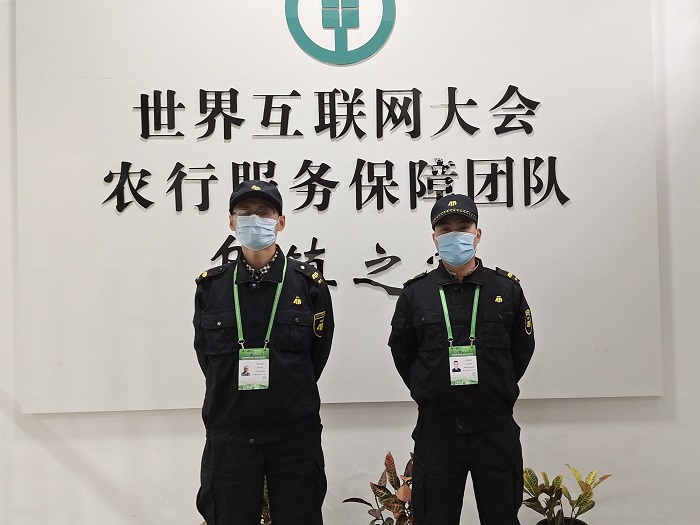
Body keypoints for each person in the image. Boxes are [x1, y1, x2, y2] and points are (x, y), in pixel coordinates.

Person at [193, 180, 334, 525]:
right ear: (232, 222)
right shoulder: (212, 286)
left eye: (264, 212)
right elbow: (206, 357)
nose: (254, 219)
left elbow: (317, 355)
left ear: (280, 221)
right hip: (230, 433)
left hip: (293, 434)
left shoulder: (308, 284)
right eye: (245, 212)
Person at [388, 194, 535, 525]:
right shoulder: (415, 293)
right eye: (445, 229)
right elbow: (403, 353)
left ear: (477, 234)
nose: (455, 234)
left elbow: (522, 349)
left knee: (502, 517)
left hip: (495, 428)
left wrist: (495, 387)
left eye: (463, 227)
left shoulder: (506, 289)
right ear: (435, 238)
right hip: (437, 430)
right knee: (435, 518)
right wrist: (430, 389)